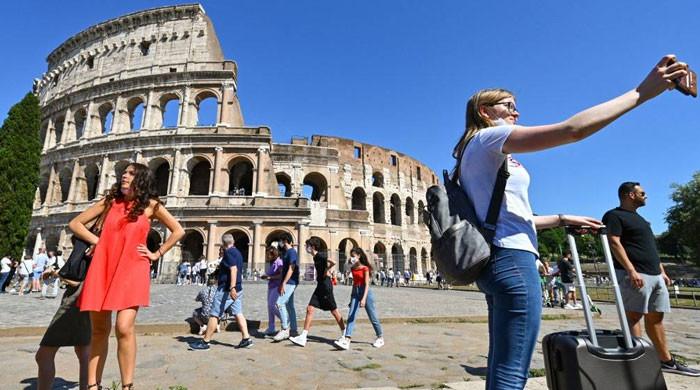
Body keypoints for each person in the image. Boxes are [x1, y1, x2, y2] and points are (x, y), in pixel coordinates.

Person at [452, 55, 686, 389]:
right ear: (484, 112)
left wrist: (561, 218)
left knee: (502, 360)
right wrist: (640, 93)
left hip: (498, 259)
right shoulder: (489, 139)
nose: (516, 112)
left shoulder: (470, 153)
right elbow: (572, 130)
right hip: (513, 260)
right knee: (512, 368)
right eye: (508, 106)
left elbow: (508, 217)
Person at [70, 162, 185, 390]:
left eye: (131, 174)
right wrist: (98, 241)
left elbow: (178, 230)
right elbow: (76, 223)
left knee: (124, 327)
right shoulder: (110, 201)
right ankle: (93, 385)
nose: (125, 176)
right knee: (100, 329)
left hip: (133, 267)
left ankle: (127, 386)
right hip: (104, 266)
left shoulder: (151, 206)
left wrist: (156, 253)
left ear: (141, 179)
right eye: (124, 172)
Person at [603, 182, 700, 376]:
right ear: (630, 195)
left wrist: (662, 270)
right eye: (642, 193)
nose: (645, 196)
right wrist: (631, 270)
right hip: (635, 274)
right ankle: (637, 360)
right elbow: (614, 242)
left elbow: (650, 249)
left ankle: (666, 361)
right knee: (633, 317)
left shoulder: (640, 219)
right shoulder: (614, 216)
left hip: (654, 274)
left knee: (656, 318)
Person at [188, 233, 253, 350]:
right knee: (238, 313)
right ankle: (246, 338)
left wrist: (231, 287)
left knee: (214, 314)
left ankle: (205, 342)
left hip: (227, 290)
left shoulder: (228, 253)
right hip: (238, 289)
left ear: (223, 243)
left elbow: (233, 269)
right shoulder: (238, 252)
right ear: (233, 241)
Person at [289, 237, 345, 347]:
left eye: (307, 246)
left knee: (334, 311)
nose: (306, 248)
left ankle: (345, 334)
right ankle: (303, 337)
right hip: (320, 285)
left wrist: (326, 272)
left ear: (312, 246)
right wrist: (325, 271)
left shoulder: (320, 256)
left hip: (325, 286)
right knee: (310, 308)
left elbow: (333, 262)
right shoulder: (315, 257)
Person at [35, 282, 91, 390]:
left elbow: (75, 279)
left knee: (43, 355)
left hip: (74, 300)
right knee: (83, 351)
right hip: (85, 297)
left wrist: (56, 273)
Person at [334, 248, 384, 350]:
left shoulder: (365, 268)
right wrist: (351, 298)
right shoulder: (353, 268)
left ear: (359, 256)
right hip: (356, 292)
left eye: (353, 256)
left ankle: (380, 337)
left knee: (372, 316)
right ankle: (347, 340)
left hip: (365, 292)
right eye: (351, 256)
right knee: (351, 315)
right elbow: (354, 283)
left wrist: (364, 298)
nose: (352, 258)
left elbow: (367, 284)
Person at [272, 234, 299, 341]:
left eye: (281, 241)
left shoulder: (292, 252)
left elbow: (291, 268)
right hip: (288, 281)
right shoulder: (286, 253)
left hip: (291, 282)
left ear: (285, 241)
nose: (280, 243)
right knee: (290, 306)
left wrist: (284, 283)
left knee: (279, 303)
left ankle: (285, 329)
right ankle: (294, 329)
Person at [260, 246, 283, 336]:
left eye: (268, 254)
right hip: (271, 286)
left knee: (272, 305)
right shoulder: (272, 263)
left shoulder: (279, 262)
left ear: (273, 254)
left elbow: (281, 275)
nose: (266, 256)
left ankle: (284, 320)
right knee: (269, 308)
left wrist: (270, 277)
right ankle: (271, 327)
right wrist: (265, 276)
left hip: (277, 286)